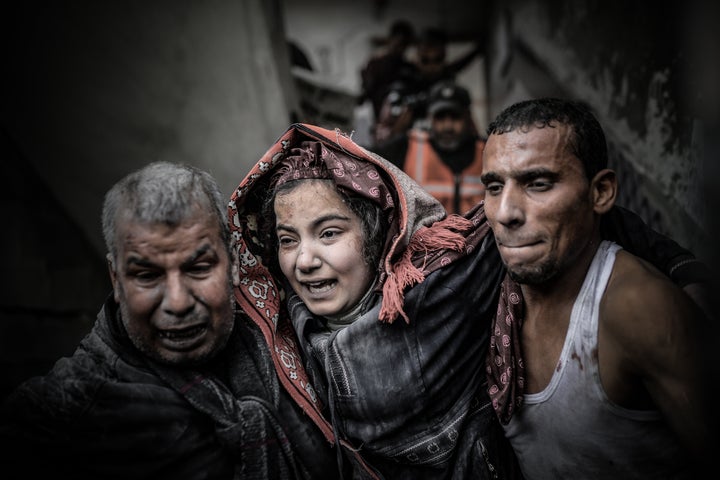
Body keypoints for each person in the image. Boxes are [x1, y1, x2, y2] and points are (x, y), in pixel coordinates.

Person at [228, 122, 709, 479]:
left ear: (378, 234)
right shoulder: (283, 324)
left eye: (329, 233)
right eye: (288, 240)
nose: (305, 260)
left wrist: (688, 273)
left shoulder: (439, 287)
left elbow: (576, 216)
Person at [0, 161, 337, 479]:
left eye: (199, 268)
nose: (177, 302)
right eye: (147, 275)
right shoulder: (68, 410)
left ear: (233, 263)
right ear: (116, 280)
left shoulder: (277, 332)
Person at [481, 98, 716, 479]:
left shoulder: (638, 308)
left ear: (601, 192)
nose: (506, 212)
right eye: (494, 186)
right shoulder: (484, 287)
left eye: (538, 183)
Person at [372, 80, 485, 215]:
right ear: (429, 118)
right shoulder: (408, 146)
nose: (448, 126)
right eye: (440, 117)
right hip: (425, 235)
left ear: (467, 117)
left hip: (477, 234)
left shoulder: (486, 150)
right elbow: (367, 159)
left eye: (455, 117)